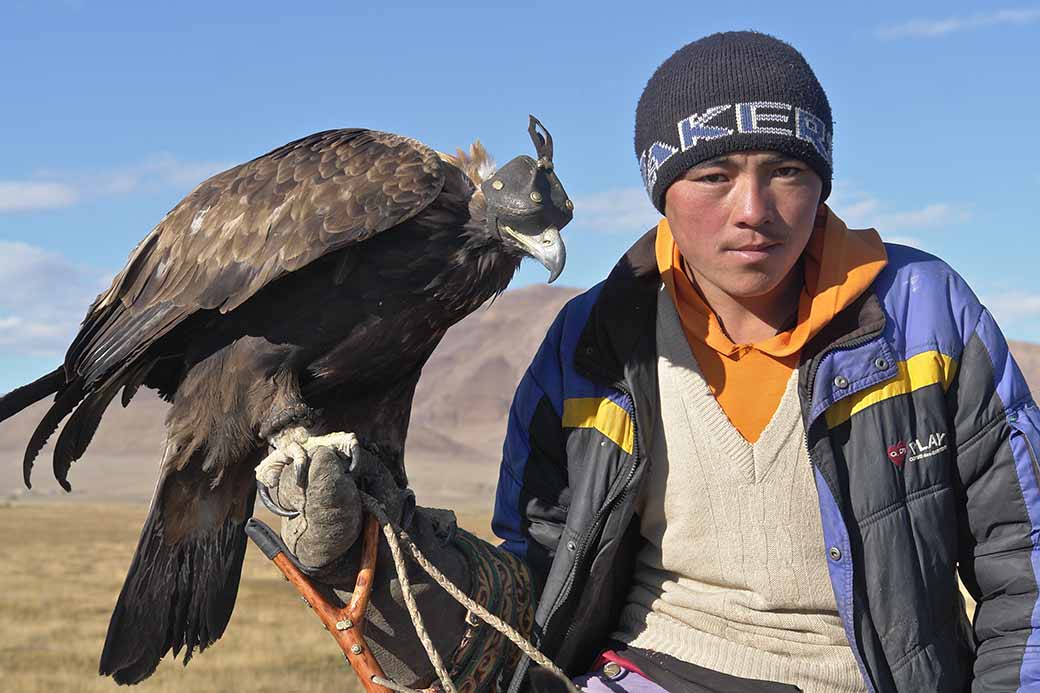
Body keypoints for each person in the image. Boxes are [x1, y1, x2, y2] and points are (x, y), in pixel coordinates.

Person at [263, 31, 1040, 692]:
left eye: (787, 171)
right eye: (713, 175)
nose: (753, 210)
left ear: (822, 181)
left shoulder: (923, 317)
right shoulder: (596, 340)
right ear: (660, 191)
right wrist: (375, 562)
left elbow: (1026, 568)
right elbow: (537, 578)